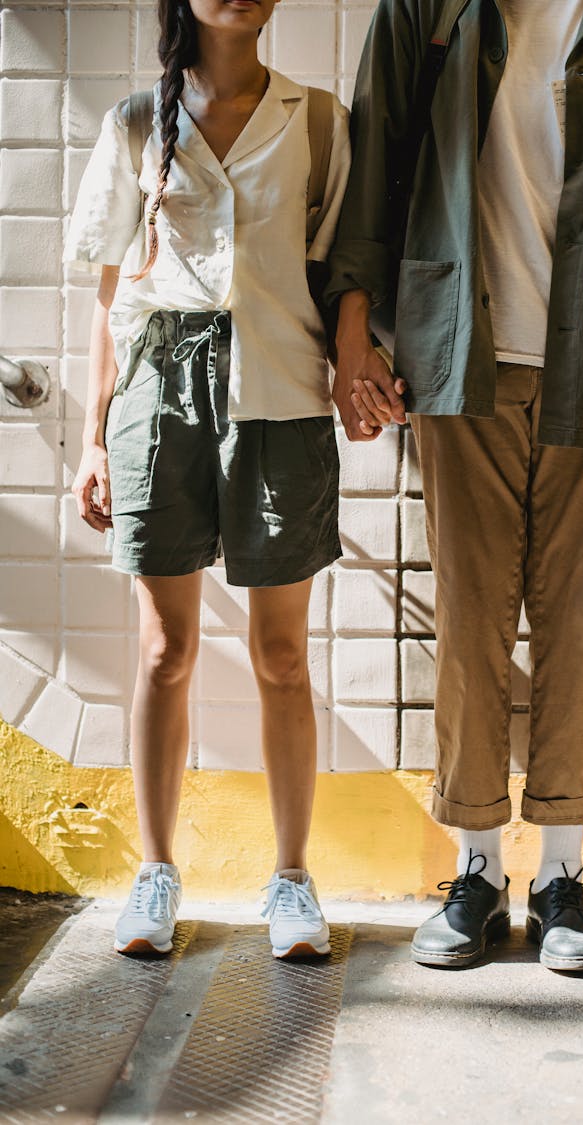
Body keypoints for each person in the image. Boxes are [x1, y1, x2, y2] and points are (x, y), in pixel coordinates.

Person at [328, 0, 583, 970]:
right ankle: (479, 868)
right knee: (471, 619)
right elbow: (377, 161)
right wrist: (354, 326)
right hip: (458, 360)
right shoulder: (429, 7)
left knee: (578, 620)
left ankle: (562, 878)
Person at [65, 0, 350, 959]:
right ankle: (155, 872)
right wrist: (96, 436)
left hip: (282, 394)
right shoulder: (138, 123)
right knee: (162, 651)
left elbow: (344, 273)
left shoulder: (316, 119)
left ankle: (292, 878)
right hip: (160, 397)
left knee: (281, 656)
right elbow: (111, 298)